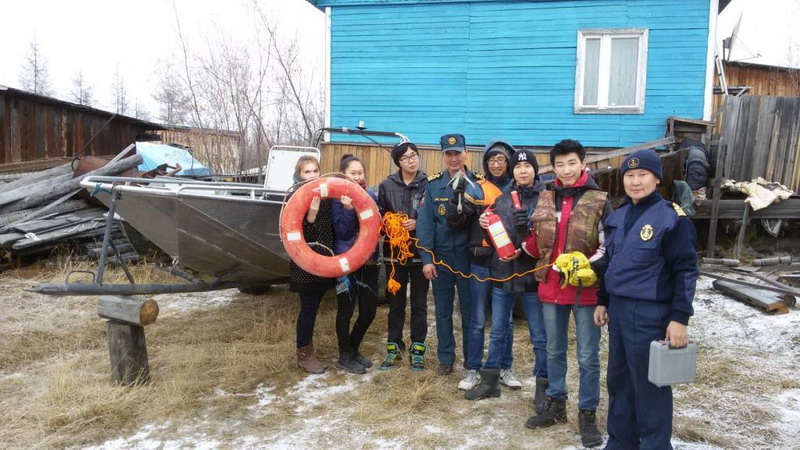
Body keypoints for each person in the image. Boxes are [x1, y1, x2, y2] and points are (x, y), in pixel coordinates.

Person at [594, 149, 698, 449]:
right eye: (629, 175)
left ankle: (654, 444)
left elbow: (685, 271)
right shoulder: (620, 215)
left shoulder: (670, 219)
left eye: (642, 175)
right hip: (620, 311)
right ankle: (620, 441)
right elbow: (611, 262)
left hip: (651, 314)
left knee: (651, 385)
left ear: (656, 178)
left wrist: (680, 318)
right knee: (620, 380)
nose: (635, 181)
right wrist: (603, 300)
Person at [521, 139, 610, 448]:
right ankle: (556, 405)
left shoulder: (599, 200)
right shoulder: (545, 197)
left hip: (585, 290)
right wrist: (524, 234)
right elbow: (537, 247)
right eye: (560, 164)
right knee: (553, 349)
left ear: (582, 163)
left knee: (587, 355)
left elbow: (607, 246)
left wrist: (589, 265)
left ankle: (587, 413)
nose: (566, 169)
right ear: (553, 167)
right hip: (550, 288)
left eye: (572, 163)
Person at [466, 149, 548, 401]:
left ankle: (544, 388)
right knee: (498, 329)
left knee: (539, 336)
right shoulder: (502, 199)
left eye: (527, 166)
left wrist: (529, 231)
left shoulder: (546, 199)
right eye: (518, 167)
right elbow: (497, 235)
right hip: (503, 274)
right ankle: (490, 381)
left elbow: (549, 239)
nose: (522, 171)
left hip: (532, 277)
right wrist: (485, 224)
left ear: (534, 170)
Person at [453, 141, 520, 392]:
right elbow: (456, 221)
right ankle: (473, 369)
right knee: (478, 319)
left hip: (506, 262)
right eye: (492, 159)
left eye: (501, 159)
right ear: (485, 163)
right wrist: (468, 210)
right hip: (480, 260)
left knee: (507, 320)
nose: (496, 164)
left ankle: (505, 366)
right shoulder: (477, 188)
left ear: (509, 162)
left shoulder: (517, 189)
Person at [416, 133, 483, 375]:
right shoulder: (433, 185)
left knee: (470, 311)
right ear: (443, 155)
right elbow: (425, 225)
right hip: (441, 259)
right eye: (449, 154)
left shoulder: (478, 183)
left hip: (468, 258)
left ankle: (470, 359)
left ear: (467, 154)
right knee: (443, 311)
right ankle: (446, 358)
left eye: (458, 153)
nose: (453, 158)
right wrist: (427, 259)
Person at [377, 142, 430, 370]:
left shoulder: (429, 184)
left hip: (420, 254)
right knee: (396, 303)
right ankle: (394, 348)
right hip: (394, 255)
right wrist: (392, 224)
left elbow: (435, 219)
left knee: (419, 304)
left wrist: (418, 223)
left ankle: (417, 348)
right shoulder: (386, 185)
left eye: (414, 156)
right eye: (406, 157)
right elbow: (379, 218)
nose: (411, 160)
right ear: (398, 162)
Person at [331, 154, 380, 374]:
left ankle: (352, 349)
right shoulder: (336, 198)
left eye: (360, 173)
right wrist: (349, 210)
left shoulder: (370, 196)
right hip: (347, 263)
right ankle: (344, 354)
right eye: (353, 173)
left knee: (369, 311)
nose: (358, 177)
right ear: (344, 174)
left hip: (369, 261)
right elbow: (342, 231)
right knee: (346, 310)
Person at [289, 155, 336, 374]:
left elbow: (332, 228)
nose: (312, 175)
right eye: (307, 172)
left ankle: (309, 350)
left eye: (315, 171)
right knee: (308, 308)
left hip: (324, 260)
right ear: (299, 174)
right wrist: (311, 217)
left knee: (315, 306)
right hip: (304, 263)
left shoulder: (325, 195)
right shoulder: (294, 196)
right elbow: (292, 234)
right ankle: (304, 355)